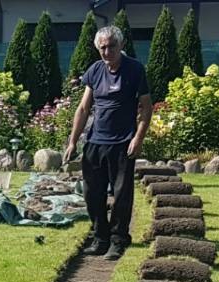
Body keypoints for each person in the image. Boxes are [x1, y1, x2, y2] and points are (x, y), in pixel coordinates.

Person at [64, 25, 153, 260]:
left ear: (120, 45)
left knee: (122, 194)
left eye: (111, 46)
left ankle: (118, 239)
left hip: (123, 142)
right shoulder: (94, 71)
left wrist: (138, 137)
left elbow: (146, 107)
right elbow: (83, 108)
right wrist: (73, 141)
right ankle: (99, 237)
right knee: (92, 194)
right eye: (102, 47)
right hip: (95, 140)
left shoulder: (134, 70)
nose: (106, 51)